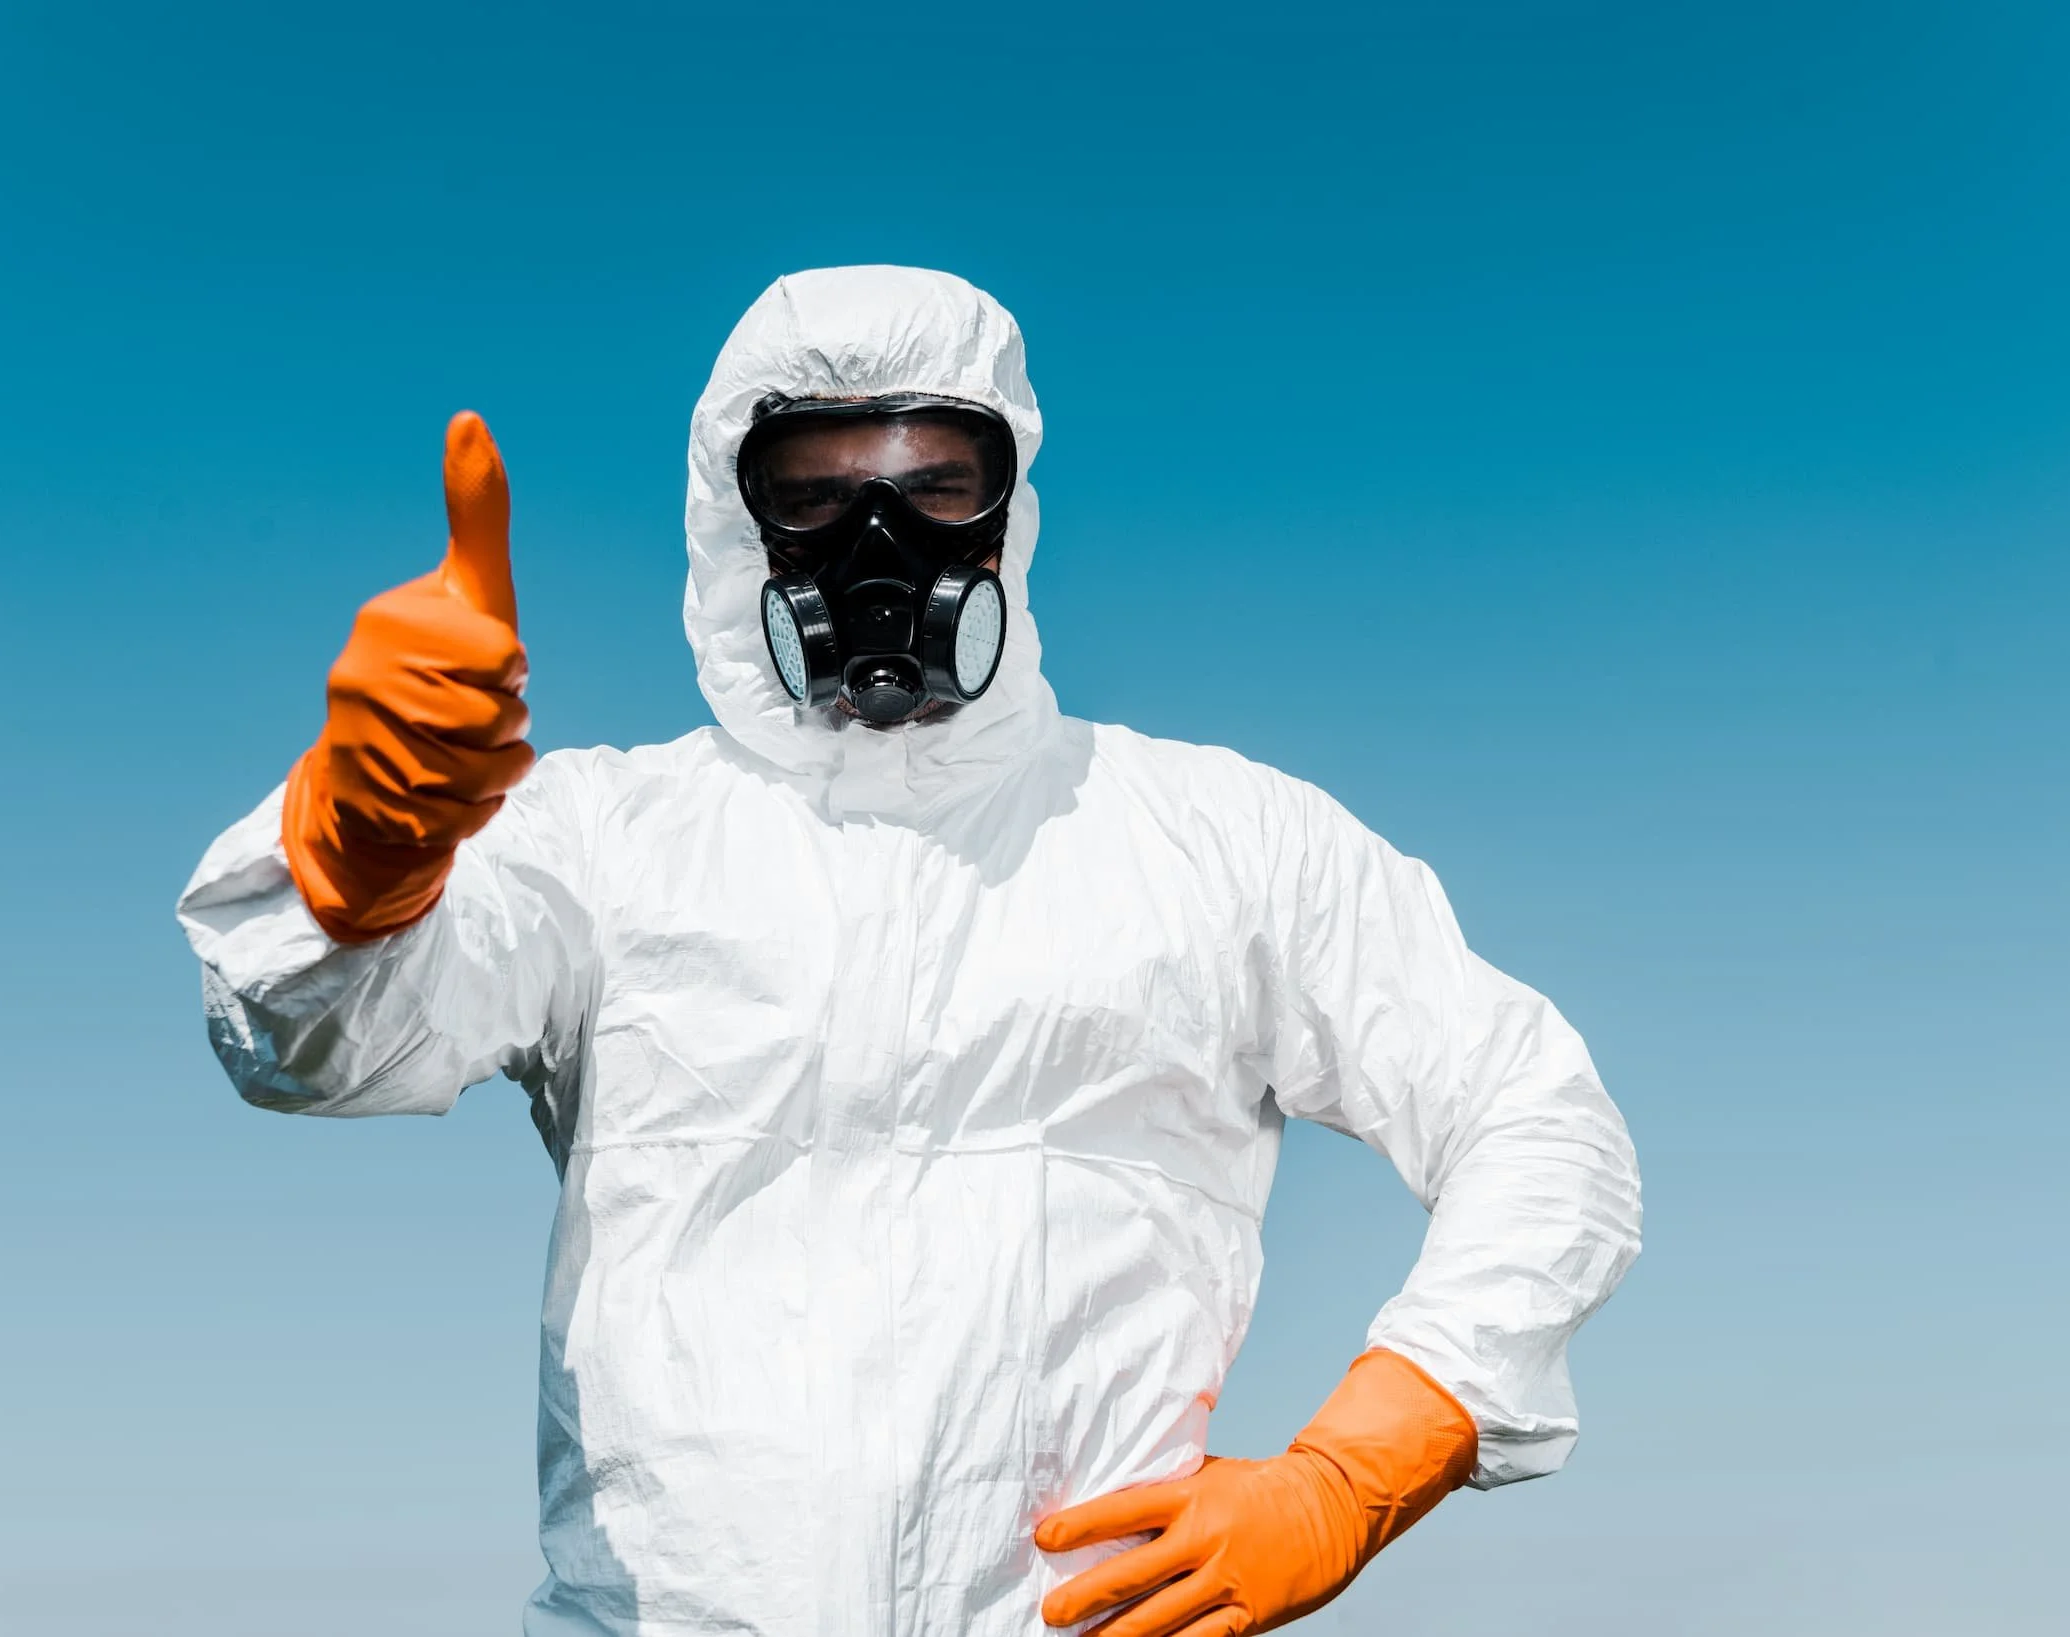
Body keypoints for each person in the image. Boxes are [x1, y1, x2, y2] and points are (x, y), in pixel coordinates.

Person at [178, 265, 1642, 1637]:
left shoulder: (1219, 840)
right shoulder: (600, 842)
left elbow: (1534, 1116)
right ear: (732, 520)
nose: (879, 541)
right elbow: (313, 1052)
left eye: (937, 484)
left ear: (1011, 508)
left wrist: (1368, 1457)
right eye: (812, 494)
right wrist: (362, 856)